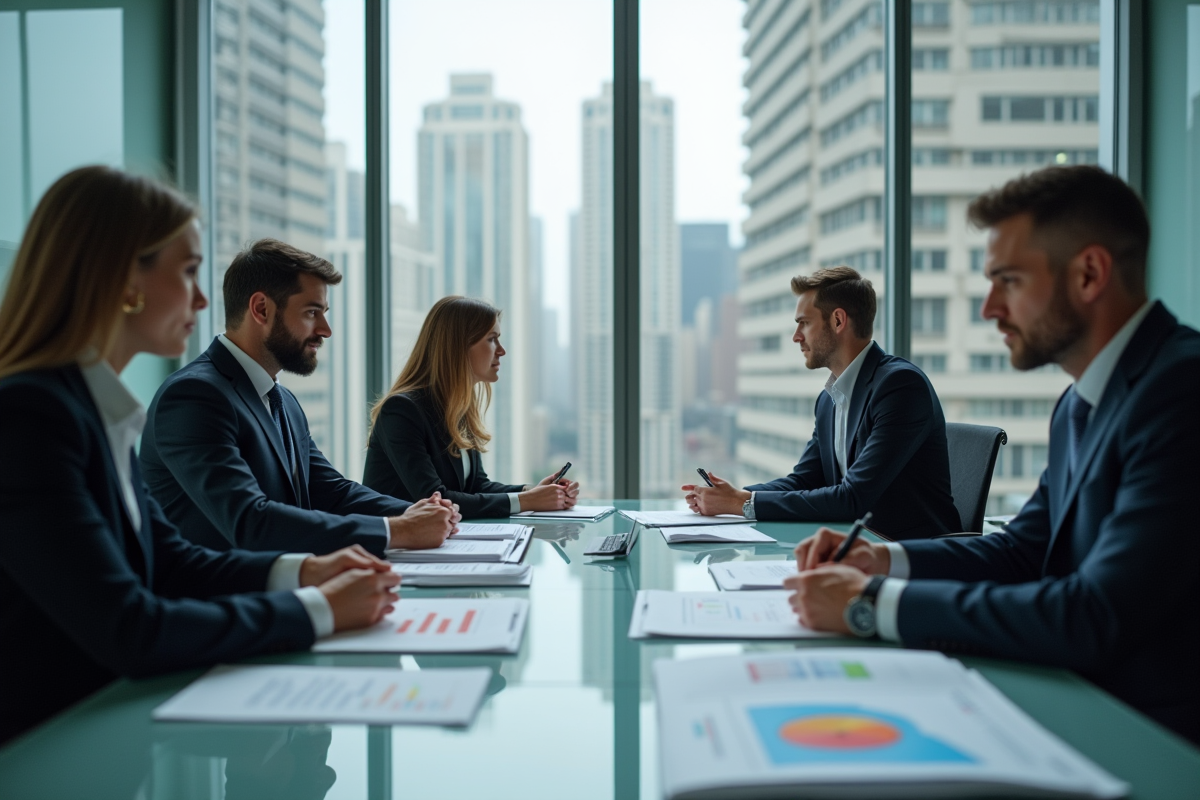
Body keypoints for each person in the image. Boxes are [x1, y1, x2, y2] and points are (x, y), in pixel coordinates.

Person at [786, 166, 1200, 745]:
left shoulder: (1180, 391)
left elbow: (1095, 614)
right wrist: (880, 564)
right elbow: (1022, 551)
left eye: (1008, 281)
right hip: (1074, 699)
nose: (988, 308)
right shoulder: (1080, 402)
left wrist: (871, 606)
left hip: (1152, 736)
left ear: (1089, 273)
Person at [0, 167, 400, 745]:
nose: (204, 297)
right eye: (187, 272)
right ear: (121, 278)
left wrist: (304, 570)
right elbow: (131, 627)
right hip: (48, 749)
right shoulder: (31, 419)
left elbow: (173, 561)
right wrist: (316, 609)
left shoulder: (91, 410)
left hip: (110, 732)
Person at [140, 239, 460, 556]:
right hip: (218, 599)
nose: (325, 329)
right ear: (261, 309)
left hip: (283, 587)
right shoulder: (194, 396)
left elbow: (330, 492)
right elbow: (251, 522)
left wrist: (417, 512)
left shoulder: (284, 401)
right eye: (312, 312)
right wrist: (397, 530)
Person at [681, 266, 960, 540]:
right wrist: (731, 495)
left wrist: (740, 503)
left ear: (838, 321)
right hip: (854, 550)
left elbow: (853, 499)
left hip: (913, 558)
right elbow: (803, 481)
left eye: (804, 322)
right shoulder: (829, 399)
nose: (796, 336)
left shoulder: (900, 387)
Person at [362, 296, 580, 518]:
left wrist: (532, 492)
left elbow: (476, 486)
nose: (502, 350)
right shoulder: (401, 411)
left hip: (437, 542)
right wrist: (526, 501)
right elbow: (437, 499)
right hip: (395, 547)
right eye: (492, 339)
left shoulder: (458, 408)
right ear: (459, 346)